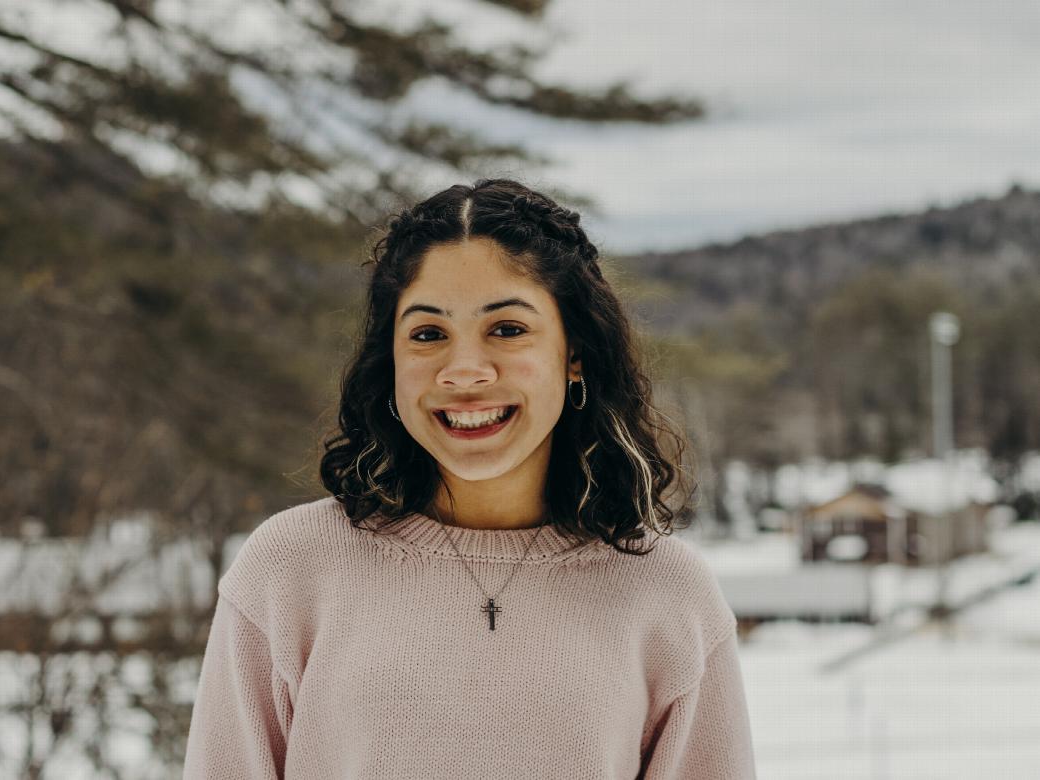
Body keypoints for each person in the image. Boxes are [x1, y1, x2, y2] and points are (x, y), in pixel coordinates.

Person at [182, 179, 757, 779]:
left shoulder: (669, 594)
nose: (464, 372)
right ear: (391, 361)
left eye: (507, 329)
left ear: (575, 354)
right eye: (428, 335)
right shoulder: (289, 570)